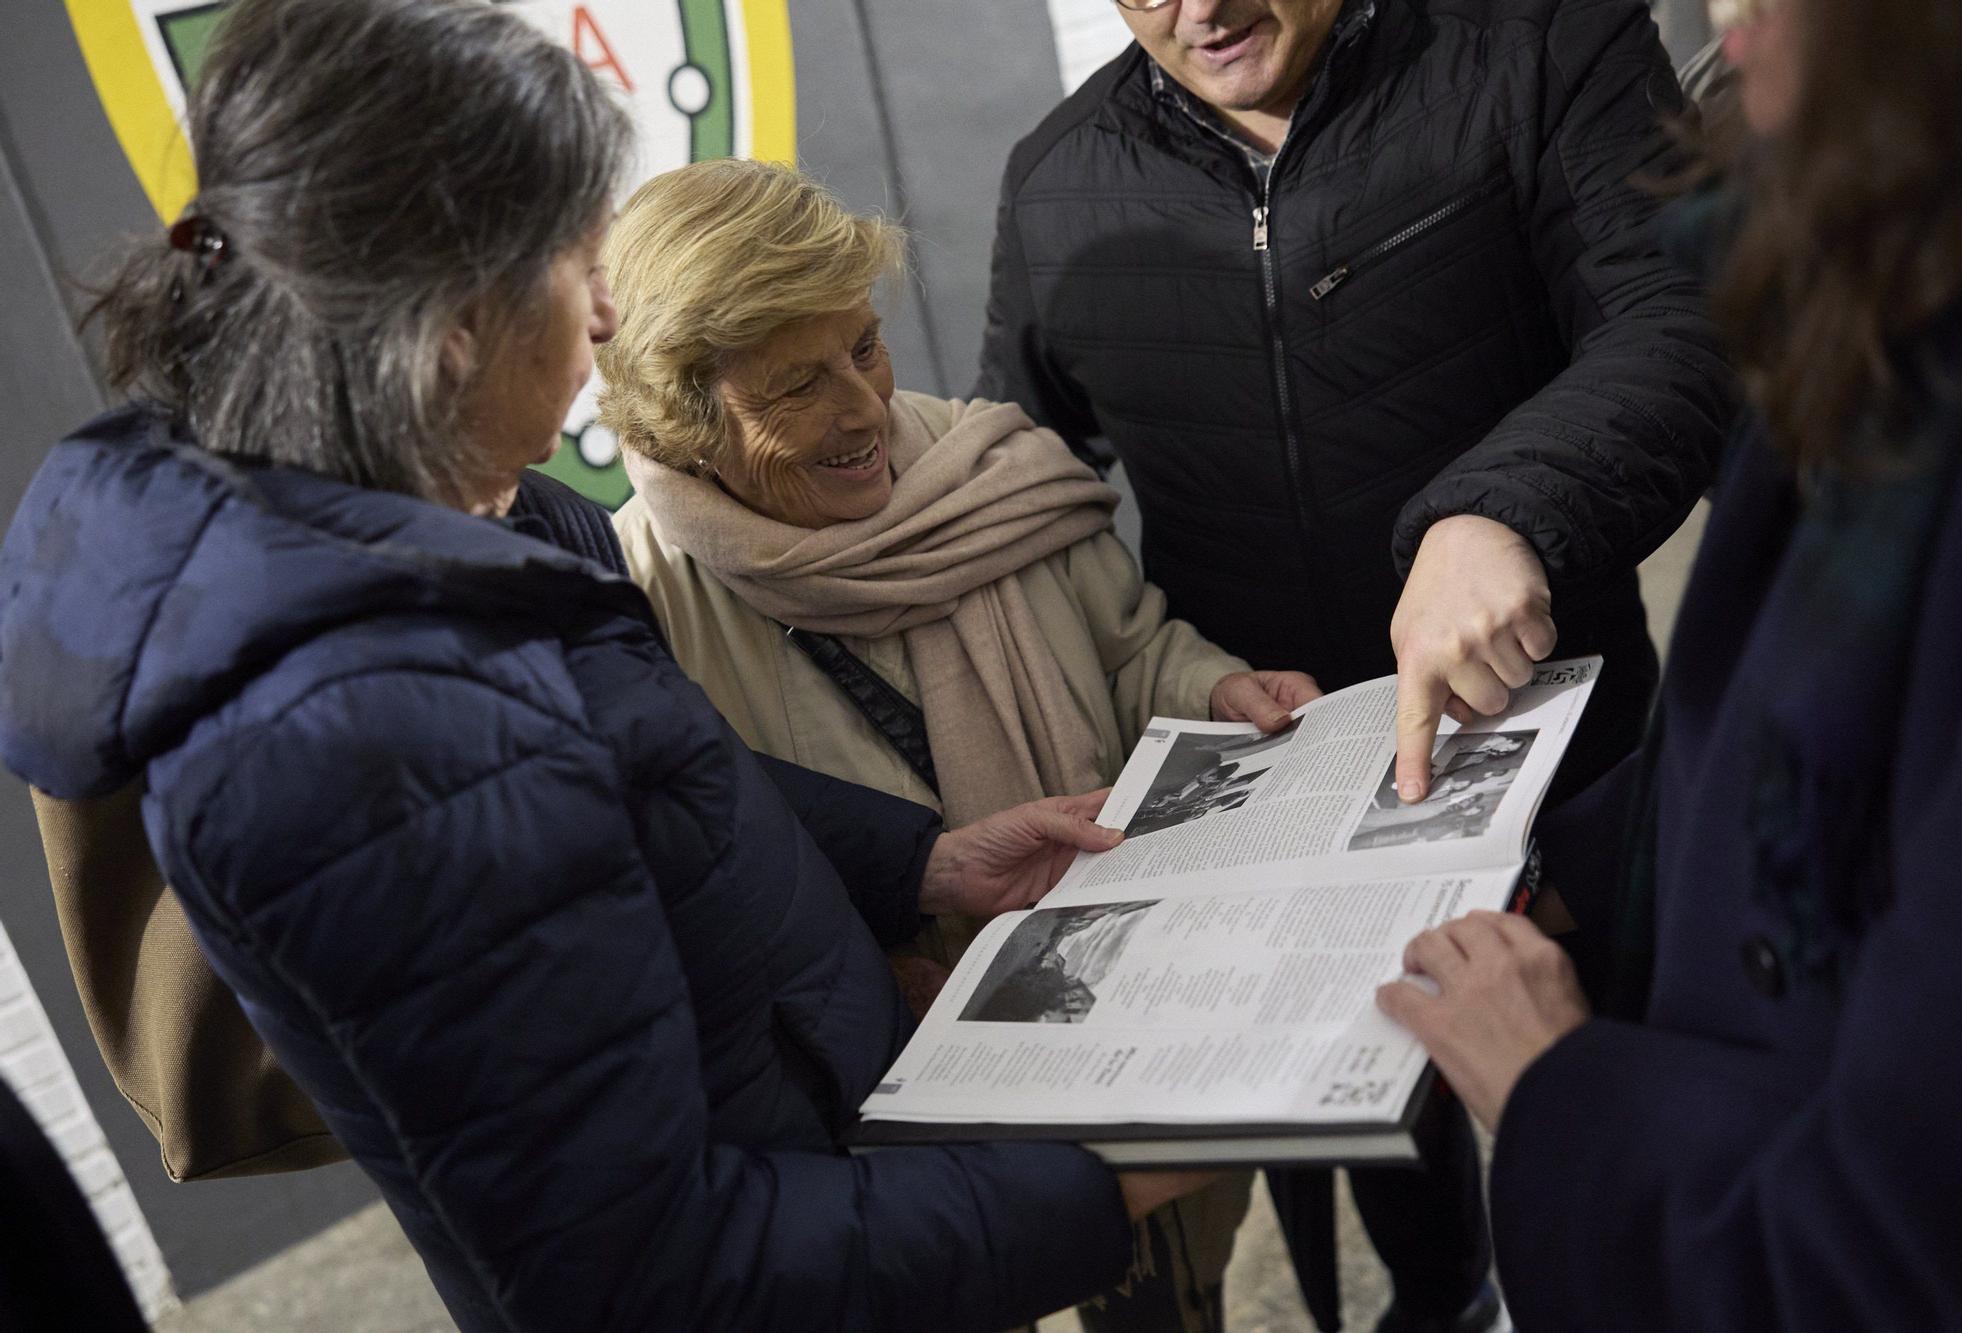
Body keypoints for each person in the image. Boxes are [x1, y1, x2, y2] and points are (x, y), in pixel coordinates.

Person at [0, 2, 1213, 1329]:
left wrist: (915, 862)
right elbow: (641, 1275)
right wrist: (1084, 1193)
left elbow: (635, 781)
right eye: (579, 264)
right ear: (456, 319)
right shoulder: (366, 746)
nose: (608, 313)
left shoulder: (472, 511)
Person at [974, 1, 1736, 1325]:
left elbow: (1677, 324)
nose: (1200, 7)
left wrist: (1501, 504)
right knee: (1391, 1149)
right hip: (1289, 808)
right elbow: (1023, 491)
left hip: (1570, 760)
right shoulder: (1058, 181)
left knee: (1649, 1155)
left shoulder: (1541, 44)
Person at [595, 157, 1320, 1333]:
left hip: (1124, 1002)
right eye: (794, 385)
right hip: (885, 1071)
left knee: (1161, 1296)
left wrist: (1216, 684)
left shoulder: (978, 468)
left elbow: (1129, 648)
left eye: (863, 347)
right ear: (682, 414)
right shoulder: (638, 600)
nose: (862, 410)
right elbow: (684, 876)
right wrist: (849, 983)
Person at [1380, 0, 1962, 1326]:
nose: (1730, 31)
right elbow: (1782, 751)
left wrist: (1559, 1093)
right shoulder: (1884, 304)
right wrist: (1576, 875)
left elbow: (1897, 1250)